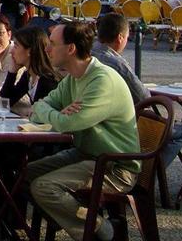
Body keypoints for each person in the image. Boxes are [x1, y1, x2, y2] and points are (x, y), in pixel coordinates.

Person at [27, 23, 140, 241]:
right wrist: (53, 113)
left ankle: (100, 229)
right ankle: (69, 218)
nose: (47, 49)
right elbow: (37, 109)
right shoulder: (72, 77)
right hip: (86, 154)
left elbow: (68, 123)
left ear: (71, 49)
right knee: (23, 174)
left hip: (114, 166)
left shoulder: (101, 80)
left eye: (52, 44)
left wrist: (55, 115)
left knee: (43, 187)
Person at [92, 12, 182, 189]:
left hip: (98, 125)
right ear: (120, 38)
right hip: (122, 127)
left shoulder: (89, 53)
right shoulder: (115, 62)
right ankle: (146, 176)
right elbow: (144, 97)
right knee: (181, 131)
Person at [0, 26, 58, 115]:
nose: (11, 51)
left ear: (29, 51)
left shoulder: (47, 80)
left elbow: (40, 117)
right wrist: (12, 72)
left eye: (16, 46)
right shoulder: (29, 75)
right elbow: (5, 102)